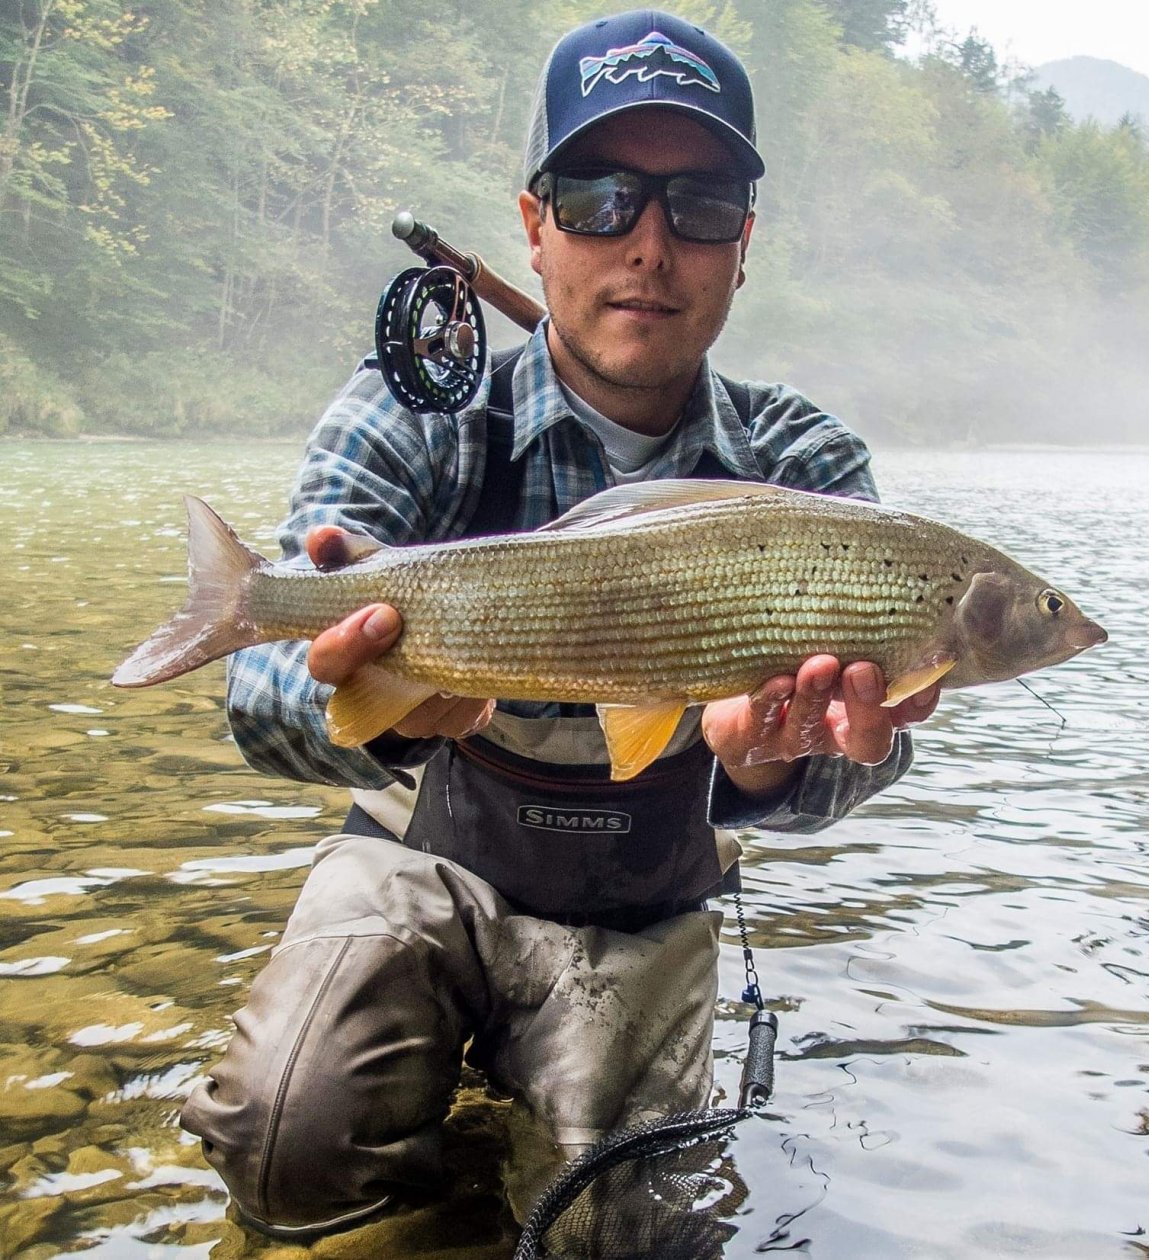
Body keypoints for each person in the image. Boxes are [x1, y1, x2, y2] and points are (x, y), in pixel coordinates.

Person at [180, 7, 940, 1239]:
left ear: (740, 245)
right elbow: (255, 699)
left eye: (695, 207)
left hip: (645, 900)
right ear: (533, 228)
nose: (648, 245)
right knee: (282, 1145)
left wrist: (769, 764)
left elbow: (875, 751)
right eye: (598, 198)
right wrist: (371, 711)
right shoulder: (418, 415)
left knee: (626, 1223)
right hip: (417, 857)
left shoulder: (804, 464)